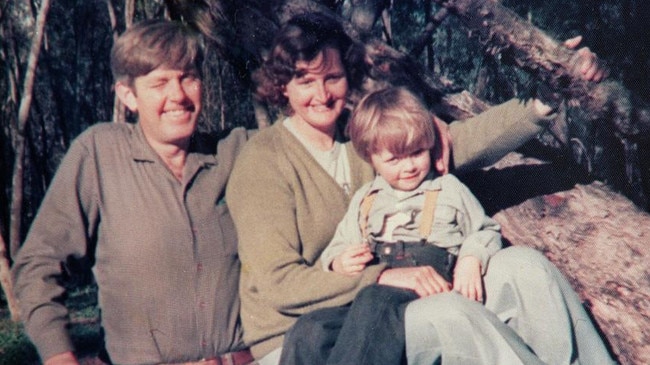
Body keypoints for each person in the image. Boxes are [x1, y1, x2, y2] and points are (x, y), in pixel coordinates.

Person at [226, 12, 614, 365]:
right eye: (304, 80)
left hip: (399, 297)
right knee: (450, 315)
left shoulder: (363, 137)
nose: (322, 94)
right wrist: (378, 276)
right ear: (281, 86)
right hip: (310, 335)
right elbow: (278, 283)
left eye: (332, 77)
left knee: (524, 269)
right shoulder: (264, 158)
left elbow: (460, 144)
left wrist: (549, 93)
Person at [11, 20, 254, 365]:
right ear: (128, 96)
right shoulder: (99, 154)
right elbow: (38, 264)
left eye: (188, 77)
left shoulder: (236, 150)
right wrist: (59, 355)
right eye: (160, 83)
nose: (178, 95)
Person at [281, 86, 504, 365]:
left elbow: (484, 230)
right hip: (371, 297)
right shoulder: (366, 199)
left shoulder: (447, 188)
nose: (409, 167)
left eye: (417, 153)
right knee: (311, 329)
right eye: (394, 160)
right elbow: (337, 247)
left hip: (424, 284)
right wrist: (339, 261)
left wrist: (472, 258)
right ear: (370, 158)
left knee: (375, 299)